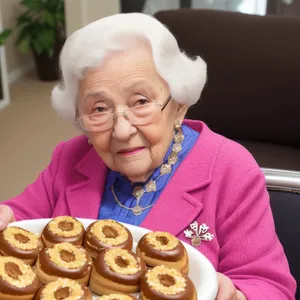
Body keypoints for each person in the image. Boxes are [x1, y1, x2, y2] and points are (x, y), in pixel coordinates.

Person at [0, 13, 296, 299]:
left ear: (179, 103)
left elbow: (272, 287)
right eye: (99, 109)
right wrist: (6, 216)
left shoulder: (231, 169)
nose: (122, 130)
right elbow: (21, 219)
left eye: (141, 101)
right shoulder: (69, 157)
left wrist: (238, 297)